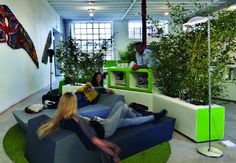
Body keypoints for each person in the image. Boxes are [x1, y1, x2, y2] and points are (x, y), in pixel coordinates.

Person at [37, 92, 167, 163]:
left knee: (127, 118)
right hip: (106, 128)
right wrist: (113, 150)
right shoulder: (74, 120)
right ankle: (145, 114)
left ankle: (151, 117)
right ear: (73, 104)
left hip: (102, 122)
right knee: (122, 105)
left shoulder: (62, 117)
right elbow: (94, 140)